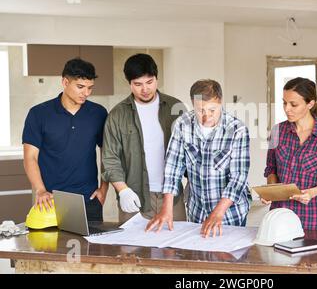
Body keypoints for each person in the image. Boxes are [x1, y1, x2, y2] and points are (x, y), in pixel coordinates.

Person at [146, 79, 251, 237]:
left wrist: (218, 213)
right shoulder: (183, 124)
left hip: (230, 214)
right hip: (197, 212)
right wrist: (166, 208)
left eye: (212, 110)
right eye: (200, 110)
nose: (206, 117)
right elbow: (172, 167)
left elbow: (238, 177)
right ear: (192, 105)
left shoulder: (237, 130)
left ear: (220, 103)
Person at [102, 54, 186, 223]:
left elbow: (191, 149)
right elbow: (110, 158)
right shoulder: (117, 115)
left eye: (149, 82)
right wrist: (122, 191)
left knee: (177, 248)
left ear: (157, 79)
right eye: (138, 84)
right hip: (134, 197)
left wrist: (192, 182)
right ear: (129, 83)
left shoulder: (176, 108)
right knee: (132, 249)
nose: (145, 89)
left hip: (172, 198)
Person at [22, 58, 108, 221]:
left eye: (90, 88)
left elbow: (107, 154)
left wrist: (104, 189)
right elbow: (30, 157)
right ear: (65, 82)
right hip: (50, 200)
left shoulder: (98, 113)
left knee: (93, 247)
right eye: (80, 87)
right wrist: (40, 190)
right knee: (50, 246)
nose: (86, 93)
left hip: (89, 199)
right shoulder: (39, 114)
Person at [263, 77, 317, 230]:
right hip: (281, 217)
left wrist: (312, 193)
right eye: (284, 103)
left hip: (315, 219)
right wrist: (271, 191)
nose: (287, 109)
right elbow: (271, 168)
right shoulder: (277, 131)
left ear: (310, 104)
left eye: (294, 104)